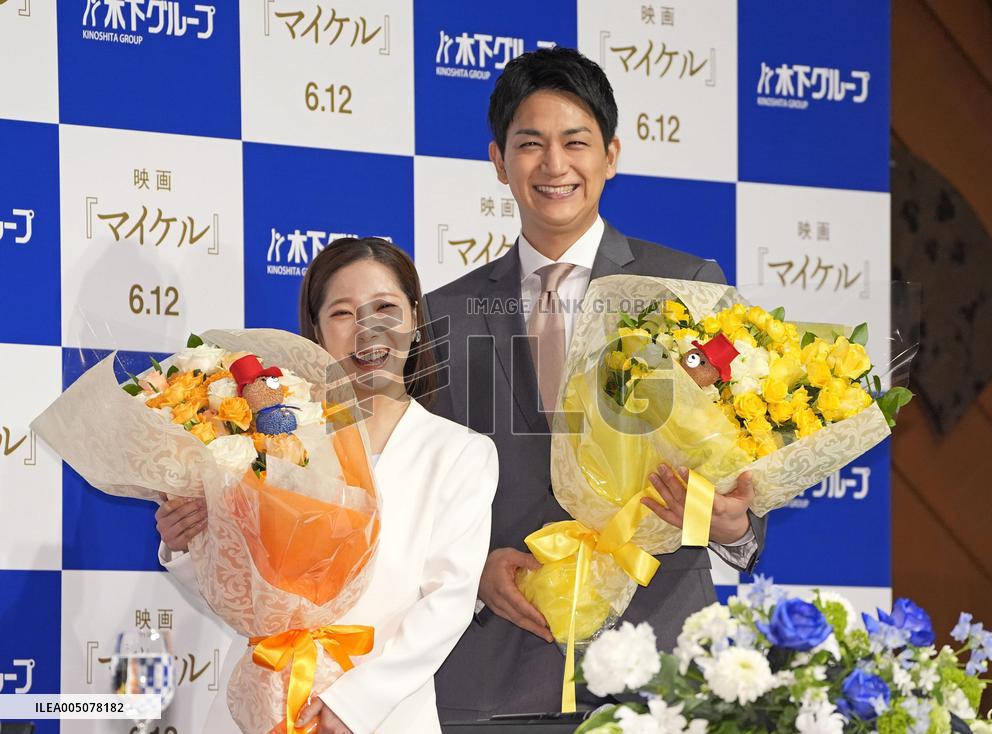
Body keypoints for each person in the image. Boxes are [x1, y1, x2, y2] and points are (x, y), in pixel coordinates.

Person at [423, 47, 767, 720]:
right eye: (530, 144)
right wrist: (469, 573)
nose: (554, 165)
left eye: (575, 142)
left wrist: (733, 523)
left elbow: (744, 462)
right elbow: (412, 489)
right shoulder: (439, 315)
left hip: (659, 659)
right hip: (497, 667)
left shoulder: (689, 288)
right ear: (499, 161)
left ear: (611, 156)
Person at [155, 238, 498, 734]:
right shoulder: (268, 437)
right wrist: (186, 543)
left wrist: (351, 705)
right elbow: (238, 591)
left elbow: (448, 602)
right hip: (263, 699)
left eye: (386, 308)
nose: (367, 329)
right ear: (316, 331)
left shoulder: (459, 453)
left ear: (415, 318)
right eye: (342, 313)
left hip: (381, 715)